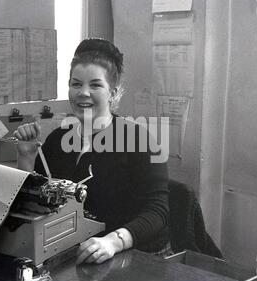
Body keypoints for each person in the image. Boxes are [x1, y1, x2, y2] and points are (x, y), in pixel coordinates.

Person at [14, 38, 169, 265]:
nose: (83, 93)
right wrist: (26, 157)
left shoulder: (139, 140)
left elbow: (158, 212)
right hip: (73, 252)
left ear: (113, 93)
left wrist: (113, 242)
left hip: (129, 256)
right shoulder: (58, 140)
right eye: (76, 84)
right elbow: (33, 203)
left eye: (95, 85)